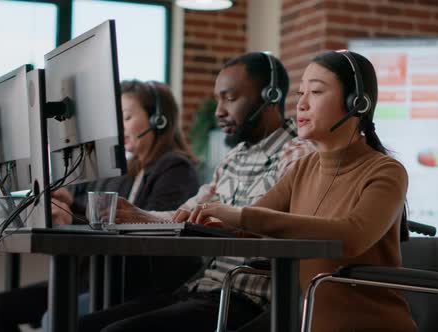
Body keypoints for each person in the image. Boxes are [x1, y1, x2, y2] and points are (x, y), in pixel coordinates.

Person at [76, 52, 315, 332]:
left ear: (270, 96)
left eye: (230, 98)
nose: (219, 112)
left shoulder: (299, 155)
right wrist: (138, 214)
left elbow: (278, 228)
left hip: (247, 299)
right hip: (202, 288)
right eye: (218, 100)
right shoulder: (234, 157)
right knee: (83, 325)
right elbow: (187, 213)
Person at [188, 50, 418, 331]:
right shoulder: (304, 167)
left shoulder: (387, 171)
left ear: (355, 103)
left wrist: (239, 215)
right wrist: (206, 220)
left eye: (317, 92)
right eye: (300, 94)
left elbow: (352, 236)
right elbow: (250, 226)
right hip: (306, 321)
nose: (302, 104)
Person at [0, 80, 201, 332]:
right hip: (97, 279)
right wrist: (72, 206)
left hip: (140, 285)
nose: (118, 126)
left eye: (127, 117)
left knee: (58, 319)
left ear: (158, 120)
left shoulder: (175, 168)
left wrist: (75, 217)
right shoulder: (124, 171)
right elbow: (102, 215)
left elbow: (149, 229)